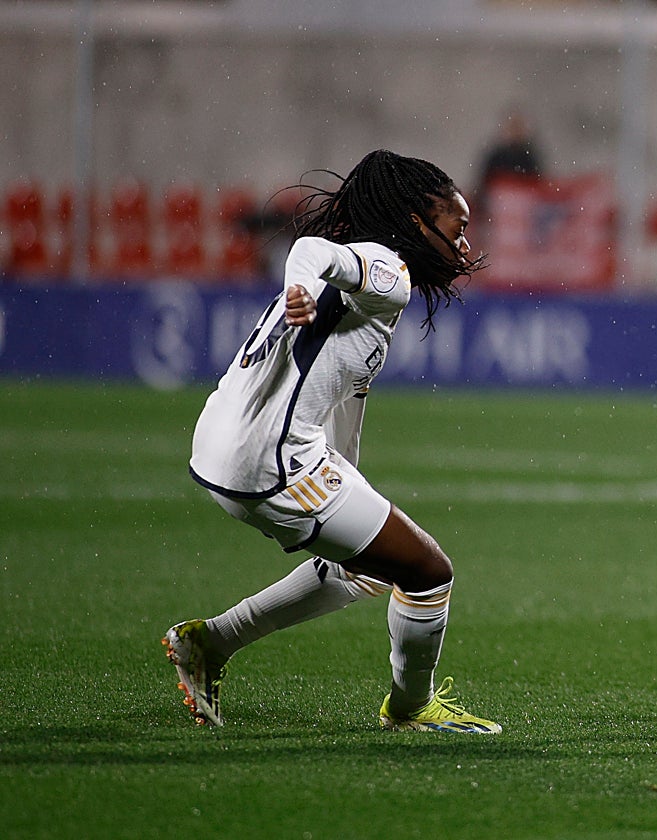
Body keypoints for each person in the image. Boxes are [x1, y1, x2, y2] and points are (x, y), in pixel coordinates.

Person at [163, 150, 500, 733]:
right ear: (419, 220)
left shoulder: (366, 286)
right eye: (458, 226)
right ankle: (411, 708)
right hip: (267, 460)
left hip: (220, 445)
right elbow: (309, 250)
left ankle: (210, 644)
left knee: (368, 566)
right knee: (428, 573)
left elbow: (347, 399)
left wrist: (354, 492)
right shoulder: (386, 271)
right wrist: (297, 287)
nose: (465, 244)